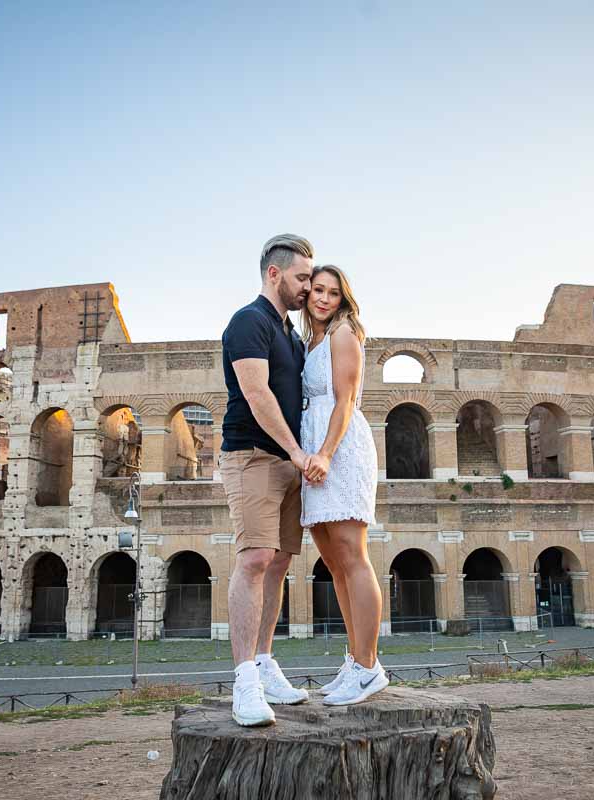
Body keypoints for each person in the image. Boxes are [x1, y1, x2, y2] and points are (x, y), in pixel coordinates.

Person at [219, 234, 315, 727]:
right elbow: (257, 395)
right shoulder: (248, 321)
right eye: (302, 278)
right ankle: (244, 683)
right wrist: (298, 452)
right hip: (251, 455)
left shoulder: (292, 335)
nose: (308, 287)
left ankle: (264, 661)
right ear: (274, 274)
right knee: (254, 558)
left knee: (278, 563)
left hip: (287, 463)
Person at [298, 265, 387, 706]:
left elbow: (346, 399)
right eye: (318, 290)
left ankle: (369, 667)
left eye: (333, 292)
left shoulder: (343, 333)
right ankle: (355, 661)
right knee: (333, 564)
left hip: (339, 449)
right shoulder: (311, 338)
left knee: (354, 558)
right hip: (313, 449)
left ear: (343, 298)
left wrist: (327, 454)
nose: (324, 298)